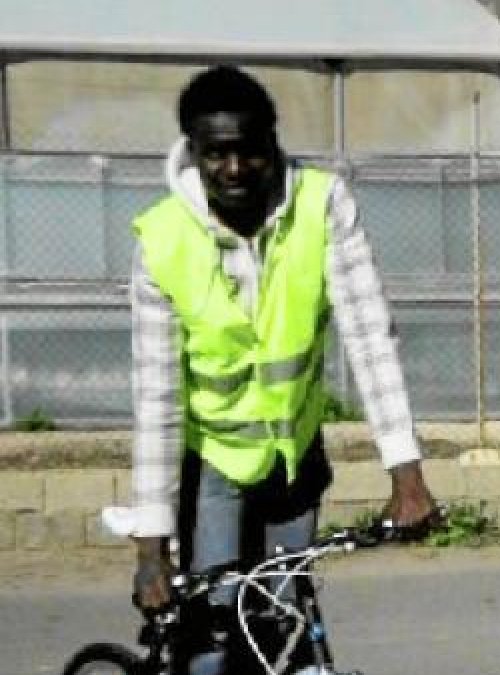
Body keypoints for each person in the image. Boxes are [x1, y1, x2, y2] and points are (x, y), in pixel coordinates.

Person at [128, 65, 440, 675]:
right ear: (193, 152)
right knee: (213, 644)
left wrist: (407, 476)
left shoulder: (323, 205)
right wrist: (151, 547)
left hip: (294, 459)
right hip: (213, 463)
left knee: (280, 627)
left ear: (274, 143)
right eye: (217, 153)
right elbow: (156, 404)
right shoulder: (162, 241)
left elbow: (370, 339)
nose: (236, 168)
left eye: (250, 150)